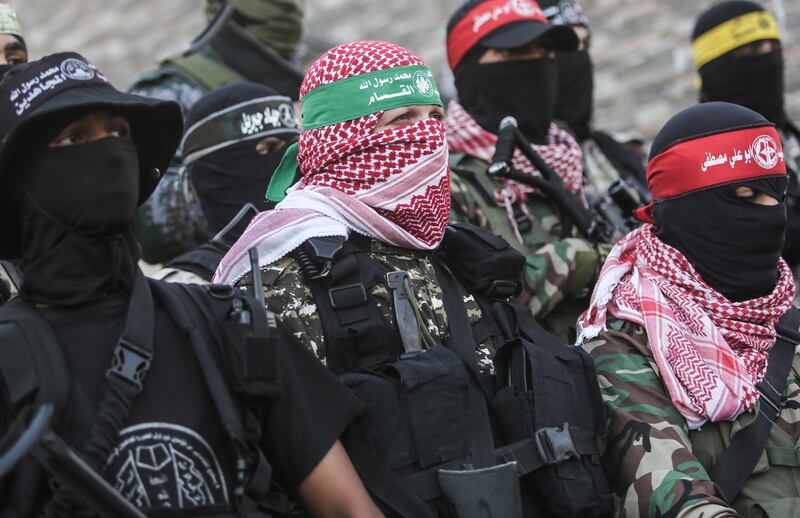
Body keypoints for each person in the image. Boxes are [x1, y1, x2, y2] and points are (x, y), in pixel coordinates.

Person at [216, 39, 612, 517]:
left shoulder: (452, 248)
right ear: (342, 135)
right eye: (401, 119)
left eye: (433, 117)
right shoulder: (282, 270)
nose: (425, 136)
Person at [0, 53, 379, 517]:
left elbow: (347, 508)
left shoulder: (230, 322)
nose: (108, 152)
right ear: (20, 178)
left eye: (119, 133)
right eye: (75, 138)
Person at [578, 102, 799, 517]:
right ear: (684, 207)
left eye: (777, 194)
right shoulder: (626, 343)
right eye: (744, 196)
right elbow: (676, 501)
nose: (770, 215)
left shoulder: (781, 308)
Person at [444, 0, 610, 343]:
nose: (536, 64)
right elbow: (472, 314)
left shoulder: (568, 159)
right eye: (514, 53)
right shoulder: (446, 181)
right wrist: (581, 258)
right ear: (470, 68)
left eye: (545, 50)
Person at [133, 0, 305, 266]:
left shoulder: (297, 74)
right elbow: (150, 225)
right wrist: (239, 155)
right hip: (223, 276)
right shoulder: (170, 92)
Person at [153, 82, 299, 284]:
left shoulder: (331, 244)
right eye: (270, 148)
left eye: (294, 148)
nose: (289, 161)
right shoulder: (186, 288)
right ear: (215, 172)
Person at [691, 1, 800, 268]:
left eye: (773, 48)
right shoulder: (706, 160)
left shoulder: (788, 135)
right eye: (751, 51)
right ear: (716, 68)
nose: (768, 60)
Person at [539, 0, 650, 220]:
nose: (579, 58)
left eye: (585, 44)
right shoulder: (525, 171)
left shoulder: (619, 151)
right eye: (565, 47)